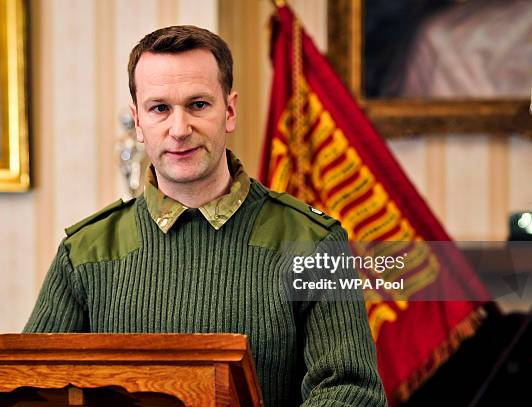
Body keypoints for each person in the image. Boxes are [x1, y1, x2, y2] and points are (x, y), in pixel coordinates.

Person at [24, 25, 387, 406]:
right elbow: (27, 389)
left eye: (198, 105)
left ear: (229, 111)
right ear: (139, 121)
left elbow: (351, 391)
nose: (179, 130)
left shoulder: (315, 243)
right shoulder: (84, 252)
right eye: (160, 108)